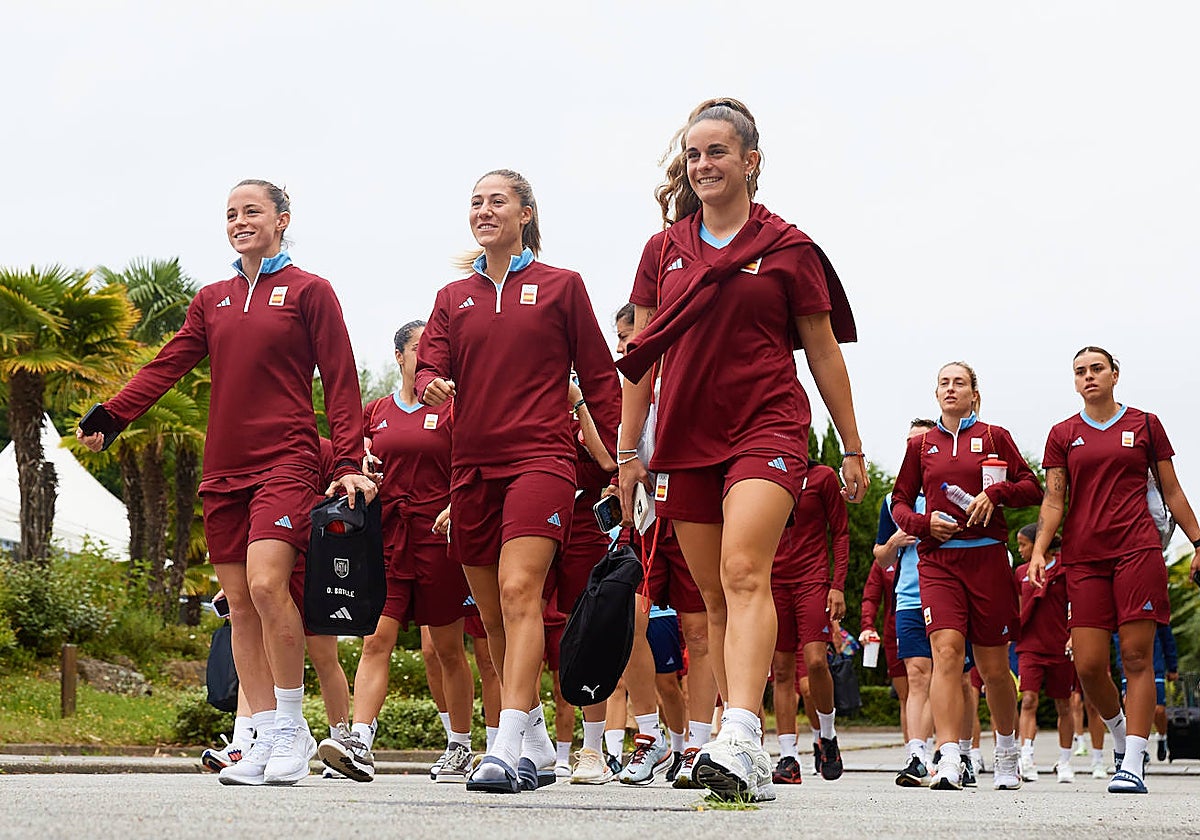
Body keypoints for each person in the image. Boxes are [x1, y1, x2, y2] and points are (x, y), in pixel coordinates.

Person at [79, 180, 373, 786]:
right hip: (224, 469)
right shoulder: (211, 299)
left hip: (286, 459)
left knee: (268, 586)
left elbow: (340, 380)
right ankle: (262, 735)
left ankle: (293, 731)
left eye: (252, 212)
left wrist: (347, 462)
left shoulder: (310, 291)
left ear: (282, 219)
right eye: (231, 214)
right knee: (239, 604)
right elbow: (169, 363)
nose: (240, 221)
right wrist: (114, 414)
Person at [615, 97, 866, 803]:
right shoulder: (661, 251)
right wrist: (629, 451)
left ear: (751, 161)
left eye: (717, 152)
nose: (703, 165)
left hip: (768, 427)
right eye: (694, 154)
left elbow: (823, 351)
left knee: (744, 568)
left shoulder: (788, 248)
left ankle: (741, 733)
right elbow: (640, 359)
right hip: (687, 437)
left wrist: (850, 446)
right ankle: (738, 745)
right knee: (713, 597)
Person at [416, 169, 620, 794]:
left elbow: (601, 377)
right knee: (494, 617)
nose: (483, 210)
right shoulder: (453, 298)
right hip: (471, 468)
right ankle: (530, 728)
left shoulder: (562, 287)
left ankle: (507, 746)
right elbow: (430, 362)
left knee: (519, 589)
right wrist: (431, 383)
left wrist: (620, 463)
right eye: (475, 202)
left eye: (496, 200)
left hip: (542, 460)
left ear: (526, 212)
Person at [1030, 346, 1200, 794]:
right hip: (1083, 557)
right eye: (1080, 372)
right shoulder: (1062, 433)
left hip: (1137, 550)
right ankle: (1123, 736)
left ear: (1115, 375)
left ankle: (1134, 761)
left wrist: (1199, 542)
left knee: (1137, 657)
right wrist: (1038, 552)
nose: (1089, 377)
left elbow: (1173, 489)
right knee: (1087, 666)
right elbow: (1053, 500)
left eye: (1097, 369)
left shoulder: (1144, 424)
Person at [318, 319, 475, 783]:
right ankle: (360, 744)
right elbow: (352, 455)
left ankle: (461, 745)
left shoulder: (453, 410)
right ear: (400, 358)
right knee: (376, 639)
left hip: (438, 538)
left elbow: (469, 463)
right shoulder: (377, 411)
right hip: (387, 540)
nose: (428, 359)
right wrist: (361, 462)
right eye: (418, 350)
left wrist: (456, 503)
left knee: (446, 648)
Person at [891, 362, 1042, 791]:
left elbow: (1032, 487)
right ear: (936, 393)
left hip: (988, 559)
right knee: (947, 652)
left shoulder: (994, 436)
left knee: (994, 670)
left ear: (974, 393)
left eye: (960, 382)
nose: (951, 388)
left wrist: (996, 492)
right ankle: (950, 756)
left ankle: (1008, 752)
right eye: (944, 382)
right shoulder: (922, 447)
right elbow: (900, 502)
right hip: (938, 562)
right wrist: (923, 524)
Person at [770, 460, 849, 784]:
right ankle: (789, 756)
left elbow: (840, 532)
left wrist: (838, 584)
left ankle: (827, 736)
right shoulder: (766, 474)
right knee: (783, 672)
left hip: (811, 580)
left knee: (817, 662)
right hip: (773, 581)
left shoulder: (822, 477)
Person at [875, 419, 938, 787]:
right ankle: (917, 754)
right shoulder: (892, 500)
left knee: (953, 679)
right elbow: (881, 558)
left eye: (920, 443)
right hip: (909, 596)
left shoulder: (950, 488)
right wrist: (895, 543)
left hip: (947, 595)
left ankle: (958, 751)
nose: (912, 450)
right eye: (908, 444)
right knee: (917, 675)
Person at [1014, 523, 1075, 783]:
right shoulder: (1019, 573)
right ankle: (1026, 756)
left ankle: (1064, 761)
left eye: (1023, 544)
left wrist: (1074, 636)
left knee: (1064, 704)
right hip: (1029, 645)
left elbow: (1077, 604)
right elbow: (1014, 608)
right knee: (1028, 700)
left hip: (1060, 645)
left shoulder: (1066, 569)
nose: (1019, 550)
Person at [859, 550, 908, 744]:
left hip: (926, 627)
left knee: (924, 687)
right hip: (893, 632)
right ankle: (914, 753)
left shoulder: (927, 548)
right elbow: (871, 597)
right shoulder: (885, 558)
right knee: (906, 696)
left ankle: (938, 749)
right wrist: (868, 626)